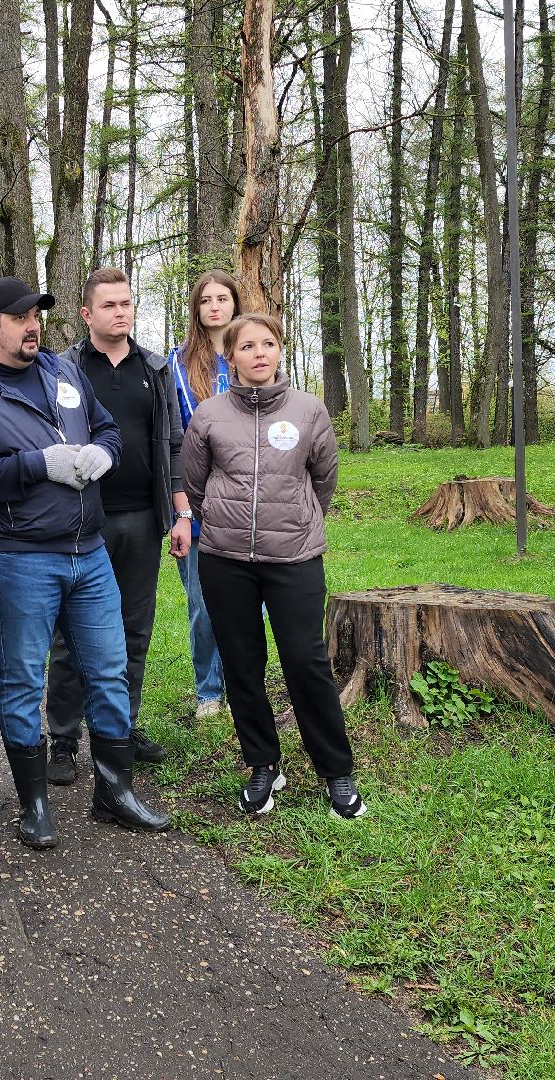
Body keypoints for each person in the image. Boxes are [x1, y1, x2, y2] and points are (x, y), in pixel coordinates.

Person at [0, 275, 170, 848]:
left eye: (37, 314)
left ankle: (114, 790)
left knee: (110, 670)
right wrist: (37, 465)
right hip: (20, 558)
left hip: (88, 553)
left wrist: (102, 453)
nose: (33, 324)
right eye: (20, 318)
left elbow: (109, 428)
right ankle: (34, 803)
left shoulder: (64, 373)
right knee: (23, 678)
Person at [180, 312, 366, 821]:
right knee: (242, 665)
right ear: (231, 356)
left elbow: (323, 478)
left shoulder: (309, 410)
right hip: (226, 560)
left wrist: (297, 521)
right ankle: (263, 764)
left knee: (306, 662)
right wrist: (222, 519)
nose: (259, 353)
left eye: (268, 344)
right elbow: (194, 485)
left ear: (280, 350)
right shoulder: (209, 415)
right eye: (247, 346)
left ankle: (336, 772)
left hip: (295, 559)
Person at [44, 269, 192, 784]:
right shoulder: (61, 370)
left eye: (126, 303)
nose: (120, 312)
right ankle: (62, 738)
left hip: (141, 520)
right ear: (86, 313)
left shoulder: (155, 367)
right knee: (70, 635)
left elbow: (173, 443)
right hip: (80, 524)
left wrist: (179, 512)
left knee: (133, 630)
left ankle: (122, 727)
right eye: (108, 305)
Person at [167, 270, 241, 721]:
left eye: (222, 298)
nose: (214, 306)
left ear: (235, 304)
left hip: (246, 499)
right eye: (205, 300)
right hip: (194, 498)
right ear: (196, 309)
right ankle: (208, 690)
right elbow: (172, 438)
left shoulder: (250, 355)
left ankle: (243, 683)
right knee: (202, 599)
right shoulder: (175, 364)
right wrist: (181, 505)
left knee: (249, 600)